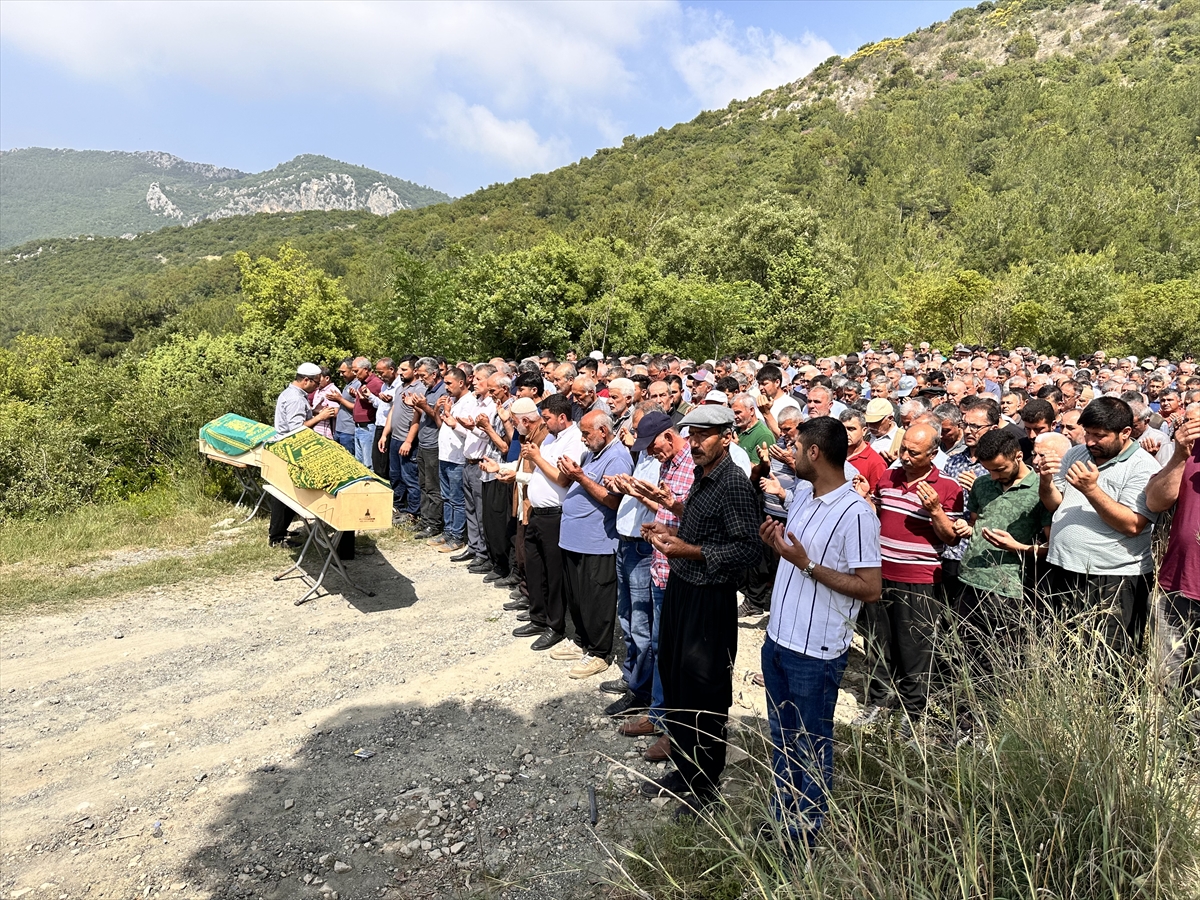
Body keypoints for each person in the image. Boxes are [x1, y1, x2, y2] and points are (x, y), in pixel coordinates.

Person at [759, 417, 881, 845]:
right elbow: (794, 556)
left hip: (816, 649)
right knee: (782, 735)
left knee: (811, 741)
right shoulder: (802, 497)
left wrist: (807, 564)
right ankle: (782, 813)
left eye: (795, 447)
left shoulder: (856, 515)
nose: (790, 454)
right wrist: (777, 545)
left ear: (814, 452)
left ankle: (805, 831)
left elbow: (870, 588)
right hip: (779, 639)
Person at [639, 405, 763, 818]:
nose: (694, 443)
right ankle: (685, 770)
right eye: (691, 435)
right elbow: (701, 531)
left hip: (710, 600)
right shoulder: (700, 474)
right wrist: (670, 532)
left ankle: (705, 786)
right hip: (681, 589)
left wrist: (689, 550)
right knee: (676, 681)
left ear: (726, 437)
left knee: (704, 692)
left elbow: (749, 549)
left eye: (704, 435)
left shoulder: (734, 483)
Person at [858, 423, 964, 731]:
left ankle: (912, 709)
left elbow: (950, 538)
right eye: (903, 449)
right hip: (880, 574)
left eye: (913, 453)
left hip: (919, 579)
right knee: (878, 641)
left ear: (933, 454)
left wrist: (935, 510)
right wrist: (867, 499)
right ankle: (879, 700)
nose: (904, 456)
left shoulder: (947, 488)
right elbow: (878, 515)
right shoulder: (889, 476)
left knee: (914, 646)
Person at [1039, 397, 1161, 653]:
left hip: (1113, 577)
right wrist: (1045, 480)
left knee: (1107, 656)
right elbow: (1054, 504)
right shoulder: (1077, 453)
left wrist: (1091, 490)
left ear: (1125, 432)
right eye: (1087, 433)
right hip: (1064, 568)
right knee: (1063, 651)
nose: (1090, 442)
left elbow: (1133, 525)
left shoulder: (1143, 466)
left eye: (1100, 436)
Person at [952, 428, 1052, 726]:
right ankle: (967, 718)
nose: (994, 476)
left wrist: (1018, 547)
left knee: (1001, 660)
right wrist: (966, 528)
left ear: (1018, 456)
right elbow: (976, 522)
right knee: (966, 654)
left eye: (1000, 469)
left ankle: (996, 720)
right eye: (988, 470)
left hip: (1009, 589)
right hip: (970, 580)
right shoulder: (982, 484)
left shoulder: (1041, 491)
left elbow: (1053, 547)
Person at [552, 411, 634, 678]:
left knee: (596, 600)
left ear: (603, 431)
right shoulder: (592, 454)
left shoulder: (617, 457)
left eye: (586, 434)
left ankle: (599, 653)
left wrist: (580, 477)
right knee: (577, 597)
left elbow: (614, 501)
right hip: (574, 540)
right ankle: (581, 641)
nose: (583, 439)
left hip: (597, 543)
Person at [602, 405, 664, 717]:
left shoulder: (663, 462)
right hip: (626, 543)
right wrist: (622, 486)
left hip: (642, 547)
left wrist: (636, 492)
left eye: (642, 431)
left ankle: (641, 691)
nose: (638, 438)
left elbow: (665, 507)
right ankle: (632, 674)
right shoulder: (645, 457)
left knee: (642, 624)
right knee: (626, 615)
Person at [513, 393, 586, 651]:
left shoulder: (574, 440)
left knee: (554, 574)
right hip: (537, 513)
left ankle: (555, 626)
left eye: (547, 418)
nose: (544, 423)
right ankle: (538, 618)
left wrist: (537, 458)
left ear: (562, 417)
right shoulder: (551, 438)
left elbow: (563, 479)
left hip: (556, 514)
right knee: (535, 569)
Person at [1145, 405, 1200, 703]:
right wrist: (1179, 454)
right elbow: (1155, 502)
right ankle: (1165, 733)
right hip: (1177, 583)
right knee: (1164, 681)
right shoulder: (1187, 451)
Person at [267, 364, 338, 548]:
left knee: (288, 492)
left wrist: (314, 412)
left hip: (286, 447)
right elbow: (296, 429)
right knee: (286, 494)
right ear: (306, 380)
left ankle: (280, 531)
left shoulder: (293, 394)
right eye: (316, 382)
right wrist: (320, 417)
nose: (317, 386)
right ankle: (277, 537)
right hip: (291, 449)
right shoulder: (295, 399)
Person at [455, 364, 497, 564]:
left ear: (490, 381)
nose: (474, 382)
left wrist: (472, 427)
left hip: (481, 463)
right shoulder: (476, 402)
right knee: (470, 508)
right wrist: (456, 425)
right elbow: (470, 432)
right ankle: (473, 547)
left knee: (481, 511)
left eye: (479, 379)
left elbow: (489, 435)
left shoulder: (492, 406)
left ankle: (484, 552)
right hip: (468, 461)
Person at [427, 367, 472, 553]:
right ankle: (447, 531)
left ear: (461, 383)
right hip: (445, 455)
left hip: (457, 458)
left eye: (449, 383)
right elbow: (443, 426)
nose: (446, 387)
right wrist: (439, 411)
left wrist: (450, 414)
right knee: (446, 497)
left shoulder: (470, 402)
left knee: (457, 500)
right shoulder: (452, 400)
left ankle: (457, 536)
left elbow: (470, 432)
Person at [407, 358, 448, 540]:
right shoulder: (429, 389)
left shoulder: (443, 391)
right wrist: (416, 406)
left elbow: (440, 419)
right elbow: (426, 413)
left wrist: (424, 406)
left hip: (434, 445)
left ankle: (434, 523)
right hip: (423, 443)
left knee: (433, 487)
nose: (421, 379)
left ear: (434, 374)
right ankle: (425, 520)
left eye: (423, 375)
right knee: (423, 485)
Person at [381, 356, 423, 525]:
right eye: (399, 369)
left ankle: (413, 513)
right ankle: (398, 508)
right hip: (395, 439)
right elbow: (393, 410)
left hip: (408, 441)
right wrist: (385, 434)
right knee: (395, 475)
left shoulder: (419, 389)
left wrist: (408, 441)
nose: (399, 372)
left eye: (404, 369)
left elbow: (418, 417)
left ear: (415, 371)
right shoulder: (400, 387)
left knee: (410, 477)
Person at [841, 408, 887, 495]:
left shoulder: (876, 462)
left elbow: (877, 498)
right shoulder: (833, 454)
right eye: (842, 429)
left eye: (851, 429)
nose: (845, 433)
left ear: (864, 431)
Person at [370, 358, 397, 480]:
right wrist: (369, 396)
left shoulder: (399, 386)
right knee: (376, 461)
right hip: (379, 425)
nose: (380, 376)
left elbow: (398, 407)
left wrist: (391, 401)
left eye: (382, 373)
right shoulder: (385, 386)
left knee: (384, 464)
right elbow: (380, 405)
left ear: (391, 370)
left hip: (389, 428)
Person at [332, 359, 358, 454]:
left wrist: (340, 399)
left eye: (343, 372)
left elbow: (357, 408)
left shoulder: (358, 384)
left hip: (349, 431)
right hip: (339, 429)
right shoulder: (348, 384)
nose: (341, 375)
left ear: (353, 370)